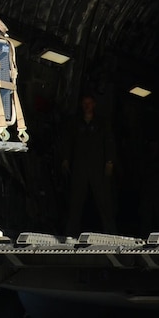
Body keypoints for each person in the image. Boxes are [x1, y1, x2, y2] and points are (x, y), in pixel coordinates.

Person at [65, 92, 119, 236]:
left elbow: (109, 142)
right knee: (76, 201)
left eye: (89, 103)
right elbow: (69, 143)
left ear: (94, 105)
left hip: (98, 167)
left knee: (104, 200)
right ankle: (71, 232)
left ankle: (110, 231)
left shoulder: (102, 123)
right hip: (80, 167)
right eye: (84, 103)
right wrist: (65, 160)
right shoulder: (76, 123)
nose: (87, 106)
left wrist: (109, 162)